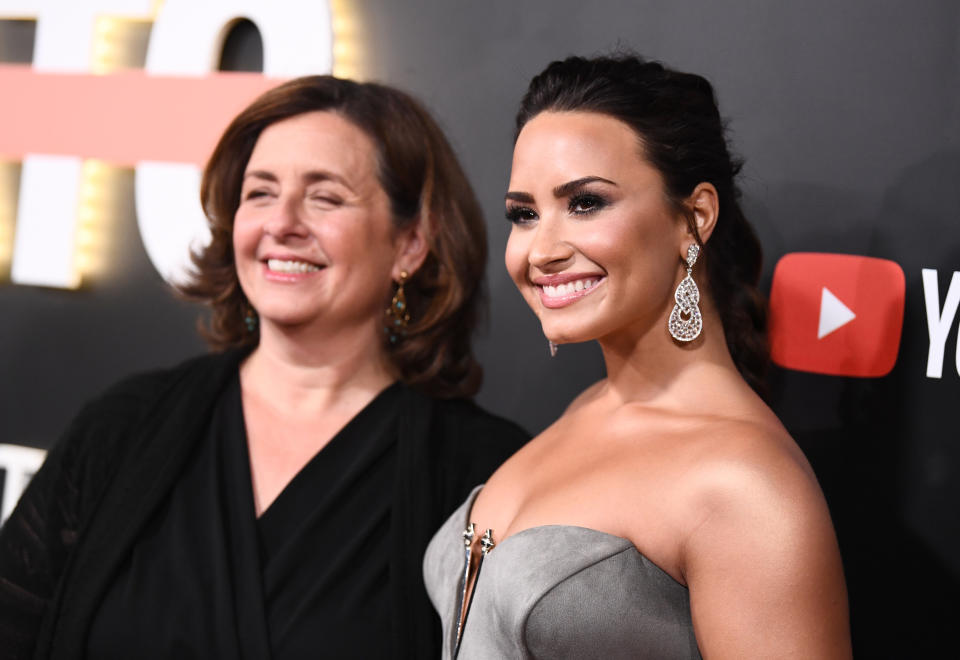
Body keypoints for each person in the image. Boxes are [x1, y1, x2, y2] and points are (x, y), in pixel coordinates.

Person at [0, 76, 528, 660]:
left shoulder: (484, 479)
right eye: (259, 193)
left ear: (409, 244)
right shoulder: (124, 427)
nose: (281, 223)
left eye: (325, 197)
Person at [424, 54, 851, 659]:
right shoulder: (585, 411)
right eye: (524, 214)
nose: (540, 250)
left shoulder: (746, 486)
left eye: (586, 203)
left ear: (694, 218)